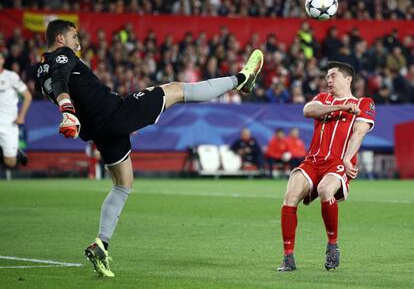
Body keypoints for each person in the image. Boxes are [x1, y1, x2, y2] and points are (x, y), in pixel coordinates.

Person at [34, 20, 263, 277]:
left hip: (99, 131)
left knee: (123, 184)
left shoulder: (39, 71)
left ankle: (101, 244)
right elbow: (62, 81)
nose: (78, 41)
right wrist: (67, 111)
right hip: (115, 113)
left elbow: (57, 84)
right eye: (74, 36)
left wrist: (73, 114)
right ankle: (241, 79)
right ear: (60, 39)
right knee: (176, 90)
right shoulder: (62, 56)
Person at [277, 61, 375, 272]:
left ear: (348, 79)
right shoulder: (322, 99)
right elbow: (308, 110)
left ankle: (332, 245)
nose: (328, 80)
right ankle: (288, 257)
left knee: (324, 189)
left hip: (338, 162)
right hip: (312, 160)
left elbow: (358, 133)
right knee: (290, 194)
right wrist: (340, 106)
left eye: (333, 76)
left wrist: (348, 159)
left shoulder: (365, 103)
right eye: (327, 76)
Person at [0, 52, 31, 173]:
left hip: (9, 124)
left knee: (10, 162)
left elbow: (27, 96)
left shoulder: (11, 77)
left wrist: (21, 117)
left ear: (2, 60)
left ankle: (13, 151)